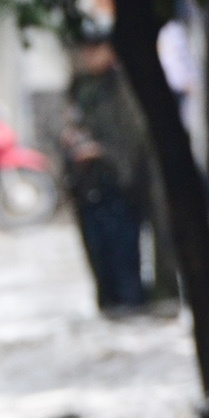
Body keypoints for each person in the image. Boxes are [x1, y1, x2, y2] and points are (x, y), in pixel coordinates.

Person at [63, 38, 151, 315]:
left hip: (119, 186)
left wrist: (102, 151)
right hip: (87, 187)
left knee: (124, 259)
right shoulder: (80, 87)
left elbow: (133, 139)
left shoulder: (122, 87)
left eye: (95, 49)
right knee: (100, 260)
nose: (89, 56)